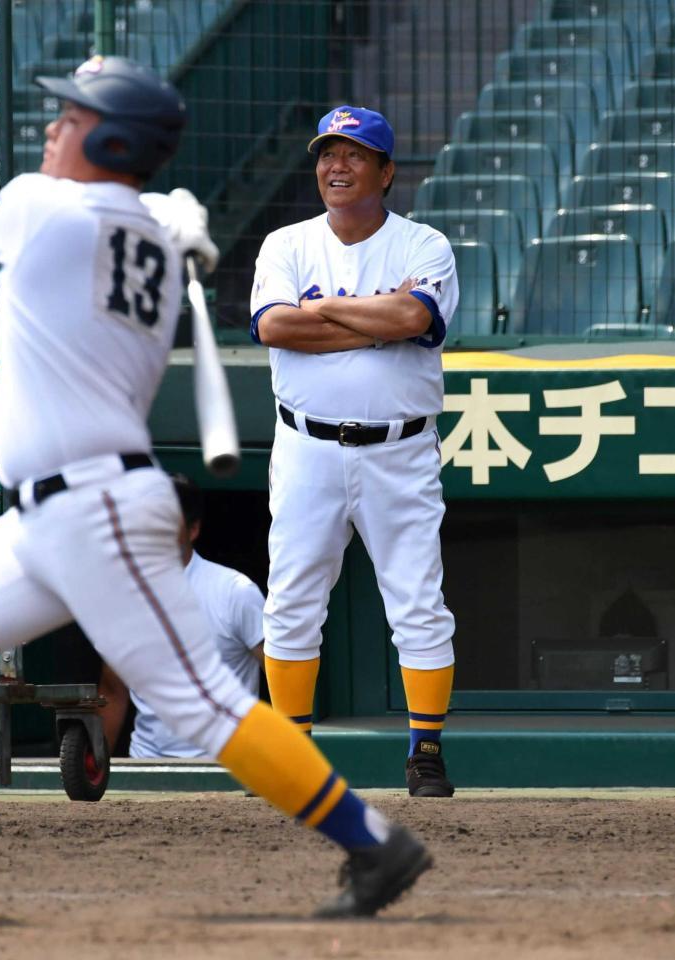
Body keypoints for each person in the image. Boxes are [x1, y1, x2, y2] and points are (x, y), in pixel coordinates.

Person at [0, 57, 431, 923]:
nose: (53, 129)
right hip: (47, 509)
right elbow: (117, 225)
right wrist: (155, 216)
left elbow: (51, 218)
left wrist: (143, 211)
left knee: (200, 706)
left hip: (95, 504)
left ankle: (374, 842)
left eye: (71, 118)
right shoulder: (163, 256)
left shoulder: (38, 208)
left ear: (111, 138)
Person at [249, 105, 459, 798]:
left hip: (398, 450)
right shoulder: (287, 243)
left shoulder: (423, 244)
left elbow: (414, 318)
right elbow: (274, 328)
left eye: (353, 154)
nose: (335, 167)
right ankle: (293, 756)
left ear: (386, 170)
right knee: (291, 601)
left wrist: (337, 314)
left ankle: (424, 751)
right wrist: (374, 322)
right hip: (306, 444)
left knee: (416, 601)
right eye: (326, 155)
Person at [99, 473, 265, 758]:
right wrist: (93, 776)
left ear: (192, 530)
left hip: (227, 769)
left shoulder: (236, 592)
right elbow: (113, 692)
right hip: (146, 766)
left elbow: (280, 677)